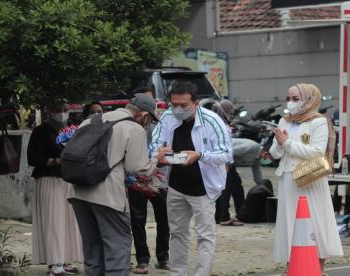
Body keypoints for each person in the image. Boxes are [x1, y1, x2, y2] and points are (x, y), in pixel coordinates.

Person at [68, 94, 162, 276]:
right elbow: (138, 168)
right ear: (143, 115)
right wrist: (157, 160)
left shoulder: (90, 121)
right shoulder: (134, 128)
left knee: (92, 251)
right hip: (108, 197)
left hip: (78, 192)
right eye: (150, 119)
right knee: (117, 251)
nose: (149, 123)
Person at [151, 82, 232, 276]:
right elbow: (153, 146)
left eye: (183, 105)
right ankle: (177, 273)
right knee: (178, 233)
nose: (178, 109)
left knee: (205, 235)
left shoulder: (212, 121)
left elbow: (226, 154)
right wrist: (159, 155)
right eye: (174, 104)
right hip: (176, 184)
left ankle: (201, 273)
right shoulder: (167, 118)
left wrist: (200, 155)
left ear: (196, 103)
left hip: (203, 187)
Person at [270, 83, 343, 273]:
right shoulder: (284, 121)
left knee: (315, 224)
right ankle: (292, 269)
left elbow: (317, 152)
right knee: (290, 226)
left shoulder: (318, 122)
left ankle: (316, 269)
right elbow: (274, 153)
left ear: (309, 100)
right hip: (288, 180)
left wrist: (287, 144)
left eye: (296, 99)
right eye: (288, 99)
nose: (290, 103)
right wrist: (280, 145)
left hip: (310, 180)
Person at [27, 101, 82, 276]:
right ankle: (55, 264)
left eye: (65, 110)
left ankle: (63, 260)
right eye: (58, 110)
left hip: (68, 180)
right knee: (53, 221)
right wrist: (56, 161)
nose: (62, 113)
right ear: (50, 111)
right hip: (49, 179)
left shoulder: (72, 130)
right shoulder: (41, 131)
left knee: (67, 222)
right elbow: (33, 158)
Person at [128, 87, 170, 274]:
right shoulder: (128, 127)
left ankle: (163, 257)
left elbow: (166, 150)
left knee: (164, 220)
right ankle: (142, 260)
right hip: (136, 180)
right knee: (138, 221)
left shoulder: (159, 127)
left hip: (158, 180)